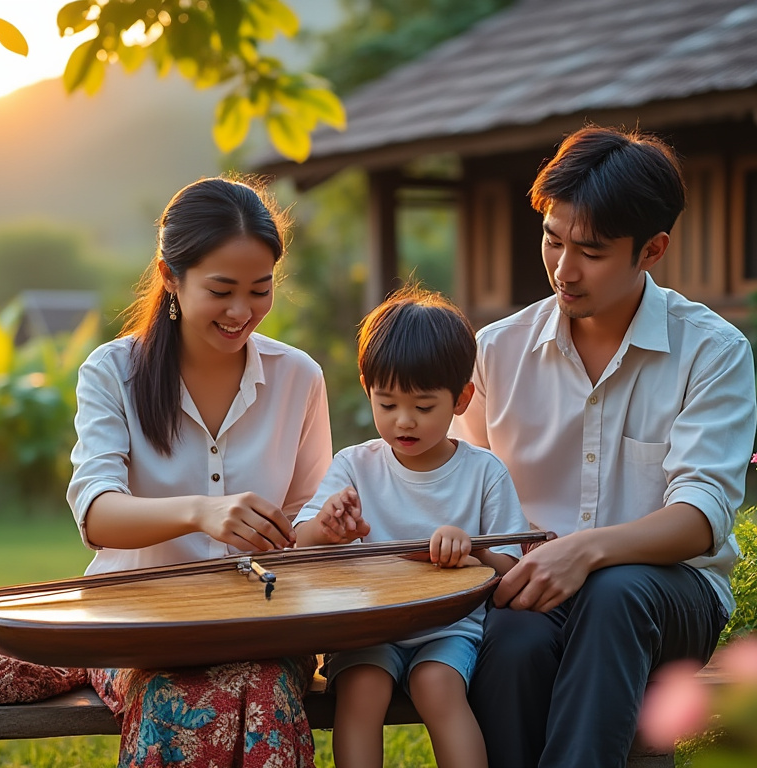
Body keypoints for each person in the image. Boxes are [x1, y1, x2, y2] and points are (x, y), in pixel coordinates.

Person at [452, 126, 757, 767]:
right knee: (511, 644)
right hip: (531, 588)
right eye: (552, 240)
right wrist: (508, 562)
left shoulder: (711, 350)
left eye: (589, 251)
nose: (564, 269)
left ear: (652, 249)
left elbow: (701, 518)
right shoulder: (498, 352)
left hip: (669, 597)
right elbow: (459, 491)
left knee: (616, 593)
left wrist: (585, 553)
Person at [66, 176, 332, 767]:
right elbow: (97, 512)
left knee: (264, 689)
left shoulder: (299, 379)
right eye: (222, 290)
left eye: (260, 290)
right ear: (170, 277)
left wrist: (330, 526)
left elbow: (307, 523)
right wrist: (201, 511)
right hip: (136, 624)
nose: (243, 312)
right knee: (173, 699)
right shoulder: (113, 373)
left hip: (260, 624)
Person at [293, 285, 529, 768]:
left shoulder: (484, 471)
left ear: (462, 399)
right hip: (367, 625)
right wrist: (327, 527)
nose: (404, 421)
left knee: (437, 686)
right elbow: (300, 542)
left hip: (447, 625)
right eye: (387, 404)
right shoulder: (355, 465)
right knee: (361, 691)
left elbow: (511, 566)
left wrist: (474, 553)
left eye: (424, 407)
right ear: (367, 389)